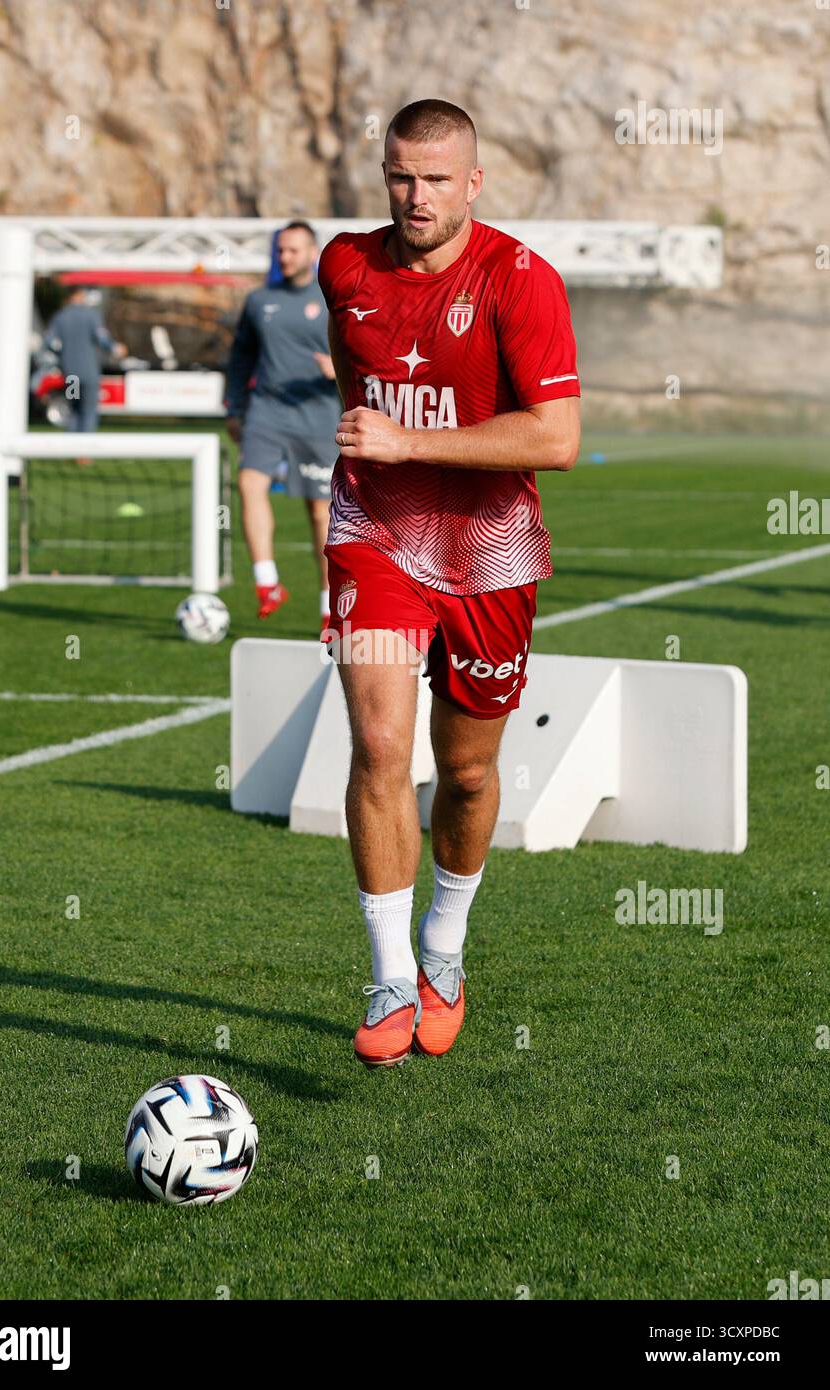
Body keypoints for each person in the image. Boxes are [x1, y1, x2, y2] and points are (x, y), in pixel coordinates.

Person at [317, 99, 581, 1068]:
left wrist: (407, 439)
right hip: (373, 536)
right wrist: (367, 461)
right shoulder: (343, 264)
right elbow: (356, 386)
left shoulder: (519, 281)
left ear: (472, 182)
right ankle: (389, 978)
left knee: (465, 771)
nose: (413, 196)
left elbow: (555, 440)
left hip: (489, 552)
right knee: (379, 744)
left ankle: (443, 947)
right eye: (398, 176)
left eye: (434, 179)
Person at [225, 221, 341, 625]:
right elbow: (240, 358)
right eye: (280, 250)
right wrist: (232, 408)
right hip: (266, 411)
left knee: (320, 513)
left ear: (313, 253)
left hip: (318, 416)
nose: (285, 257)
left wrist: (339, 369)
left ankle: (330, 610)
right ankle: (267, 582)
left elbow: (366, 353)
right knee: (248, 483)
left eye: (293, 250)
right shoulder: (259, 301)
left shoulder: (334, 299)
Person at [43, 286, 126, 466]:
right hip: (89, 373)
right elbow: (103, 339)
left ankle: (70, 448)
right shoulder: (90, 316)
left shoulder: (60, 317)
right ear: (79, 295)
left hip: (71, 374)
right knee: (88, 411)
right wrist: (116, 349)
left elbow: (49, 342)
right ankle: (83, 453)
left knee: (74, 409)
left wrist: (62, 355)